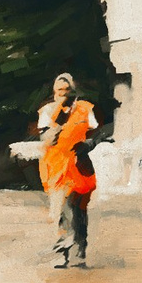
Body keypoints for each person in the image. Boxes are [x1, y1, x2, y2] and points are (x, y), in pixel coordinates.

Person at [36, 70, 98, 268]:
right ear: (54, 93)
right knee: (61, 210)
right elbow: (45, 138)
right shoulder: (47, 112)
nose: (63, 94)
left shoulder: (85, 109)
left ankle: (79, 249)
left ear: (73, 90)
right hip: (56, 167)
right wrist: (58, 124)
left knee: (79, 210)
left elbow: (95, 132)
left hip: (80, 166)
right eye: (59, 91)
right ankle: (64, 250)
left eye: (66, 90)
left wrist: (88, 144)